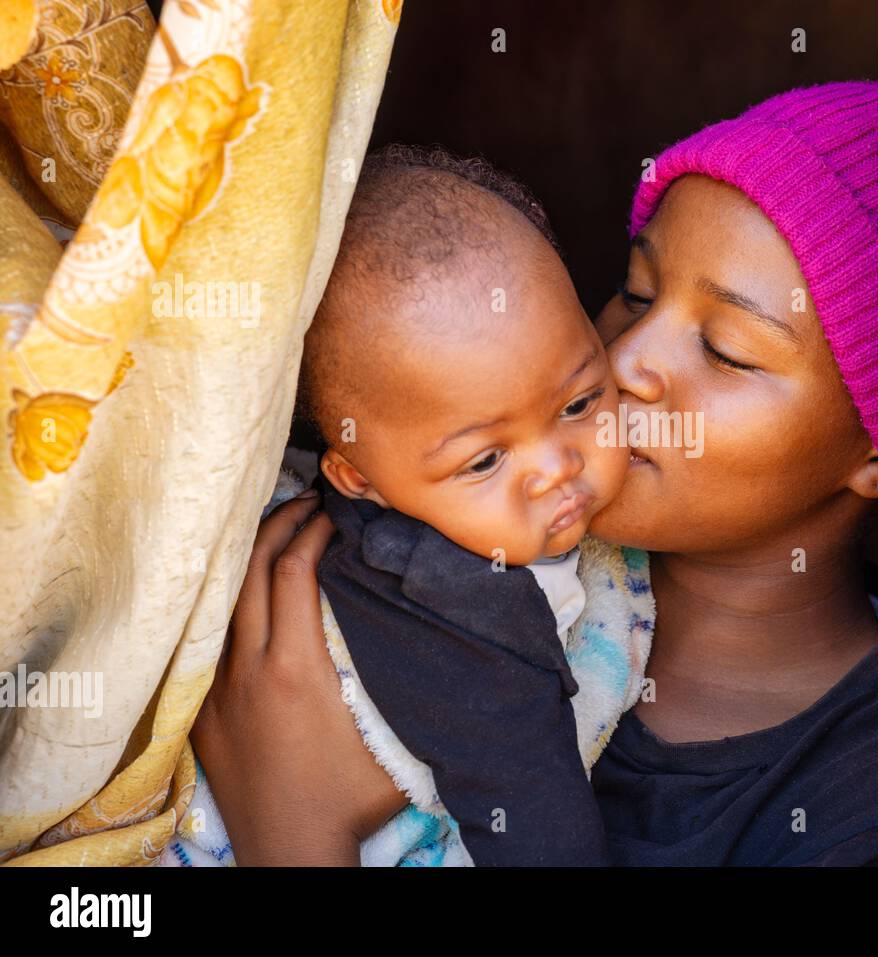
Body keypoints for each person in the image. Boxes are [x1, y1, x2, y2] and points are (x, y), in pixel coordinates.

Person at [193, 81, 878, 866]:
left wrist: (290, 827)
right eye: (636, 294)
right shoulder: (447, 536)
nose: (626, 361)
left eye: (726, 348)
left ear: (876, 452)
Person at [169, 145, 649, 867]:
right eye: (485, 460)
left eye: (580, 402)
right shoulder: (469, 607)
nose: (557, 468)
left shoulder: (419, 484)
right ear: (358, 477)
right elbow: (542, 822)